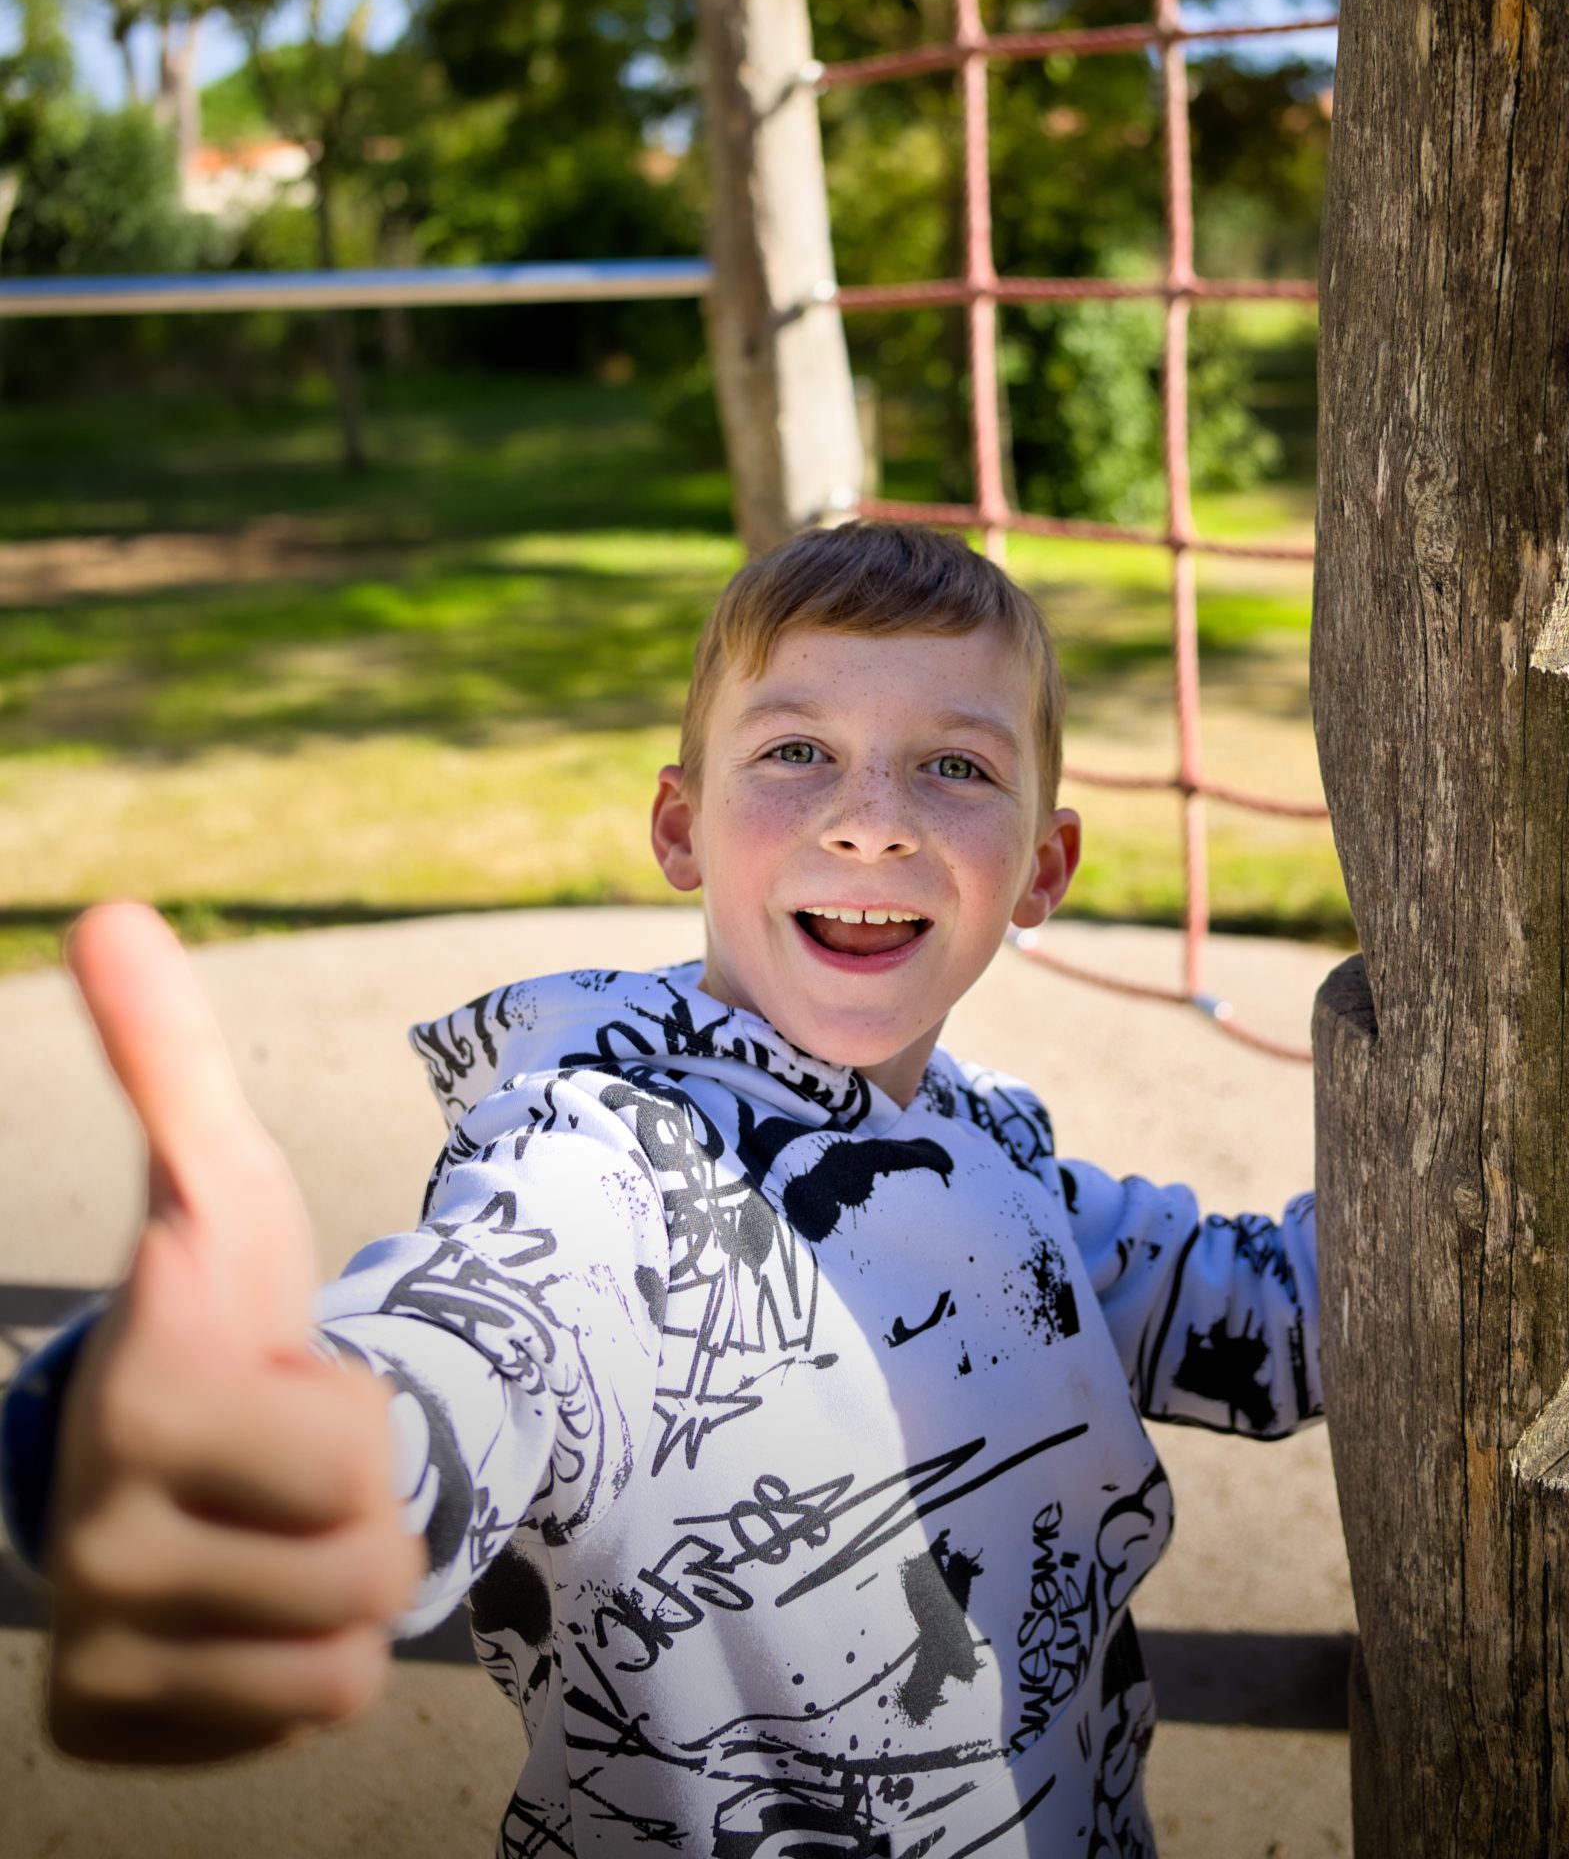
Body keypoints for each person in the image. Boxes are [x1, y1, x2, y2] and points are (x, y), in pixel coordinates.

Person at [2, 520, 1321, 1855]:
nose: (871, 822)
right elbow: (486, 1337)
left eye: (957, 766)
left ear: (1044, 865)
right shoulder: (610, 1172)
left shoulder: (1010, 1162)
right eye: (795, 751)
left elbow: (1272, 1323)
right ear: (681, 827)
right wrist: (286, 1452)